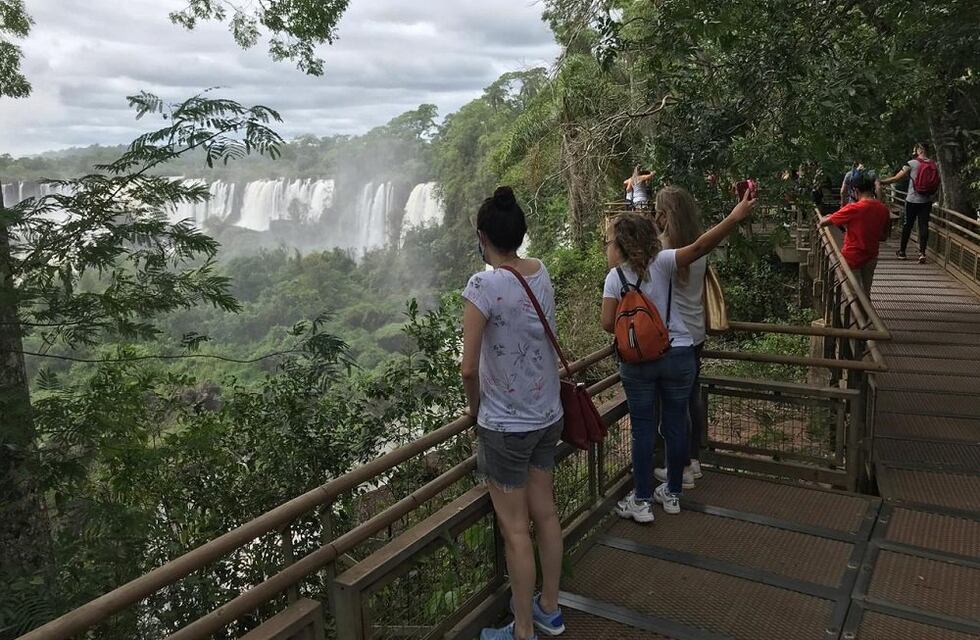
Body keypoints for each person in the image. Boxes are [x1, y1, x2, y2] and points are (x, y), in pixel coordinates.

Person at [601, 190, 757, 519]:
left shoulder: (615, 279)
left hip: (638, 364)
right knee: (674, 424)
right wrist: (734, 217)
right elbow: (701, 246)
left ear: (621, 247)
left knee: (643, 429)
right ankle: (672, 494)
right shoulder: (666, 261)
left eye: (609, 243)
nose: (607, 249)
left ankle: (641, 501)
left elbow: (606, 324)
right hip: (679, 353)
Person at [462, 187, 565, 640]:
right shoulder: (540, 272)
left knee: (515, 530)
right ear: (520, 234)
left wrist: (474, 412)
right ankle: (549, 609)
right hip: (547, 416)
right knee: (545, 514)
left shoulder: (482, 285)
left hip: (505, 426)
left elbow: (468, 367)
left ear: (483, 237)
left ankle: (522, 631)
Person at [650, 187, 707, 491]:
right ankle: (694, 460)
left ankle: (679, 465)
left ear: (663, 215)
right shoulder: (698, 247)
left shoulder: (663, 251)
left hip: (673, 337)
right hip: (697, 332)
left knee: (672, 405)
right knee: (692, 398)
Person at [818, 171, 891, 296]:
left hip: (852, 257)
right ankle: (866, 315)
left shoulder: (853, 208)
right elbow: (884, 236)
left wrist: (831, 216)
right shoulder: (883, 209)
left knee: (853, 296)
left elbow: (823, 223)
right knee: (866, 294)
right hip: (871, 255)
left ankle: (856, 315)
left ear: (855, 190)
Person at [880, 143, 939, 264]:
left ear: (920, 150)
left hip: (912, 200)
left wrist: (880, 182)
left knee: (908, 225)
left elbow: (896, 178)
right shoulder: (934, 164)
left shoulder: (911, 163)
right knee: (923, 225)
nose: (914, 152)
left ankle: (902, 252)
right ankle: (922, 253)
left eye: (915, 149)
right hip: (926, 201)